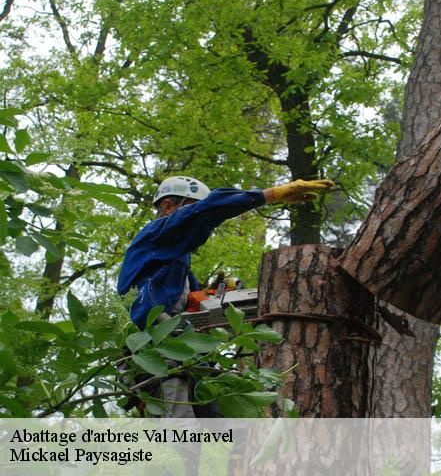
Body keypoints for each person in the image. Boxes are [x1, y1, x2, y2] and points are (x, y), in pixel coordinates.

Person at [116, 176, 334, 418]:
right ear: (168, 206)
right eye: (190, 208)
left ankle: (245, 456)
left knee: (239, 408)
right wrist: (272, 194)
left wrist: (208, 295)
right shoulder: (152, 236)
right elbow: (208, 209)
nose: (201, 223)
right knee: (181, 427)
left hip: (185, 353)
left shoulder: (176, 264)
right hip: (157, 352)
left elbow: (186, 310)